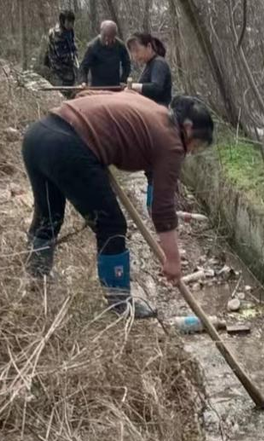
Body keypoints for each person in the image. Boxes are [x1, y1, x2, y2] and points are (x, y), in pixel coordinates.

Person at [21, 94, 214, 318]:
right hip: (68, 147)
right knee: (111, 225)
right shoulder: (171, 141)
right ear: (188, 127)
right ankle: (120, 305)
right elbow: (163, 209)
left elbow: (157, 187)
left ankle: (36, 280)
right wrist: (172, 260)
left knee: (49, 215)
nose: (190, 152)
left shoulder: (155, 111)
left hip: (39, 136)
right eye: (196, 145)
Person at [126, 32, 173, 212]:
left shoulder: (159, 64)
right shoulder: (149, 65)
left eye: (137, 51)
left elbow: (157, 88)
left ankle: (157, 205)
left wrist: (137, 87)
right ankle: (153, 204)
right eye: (132, 52)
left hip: (158, 120)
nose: (135, 56)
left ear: (149, 47)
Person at [78, 20, 130, 88]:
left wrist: (123, 79)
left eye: (110, 37)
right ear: (100, 32)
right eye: (104, 36)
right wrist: (83, 81)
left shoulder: (120, 46)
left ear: (114, 36)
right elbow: (84, 67)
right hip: (97, 86)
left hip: (115, 86)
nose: (106, 39)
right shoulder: (93, 47)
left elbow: (126, 64)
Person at [42, 10, 78, 95]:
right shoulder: (57, 34)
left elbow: (72, 44)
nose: (71, 25)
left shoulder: (70, 31)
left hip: (68, 67)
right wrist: (73, 57)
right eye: (69, 22)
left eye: (72, 22)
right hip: (58, 68)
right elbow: (61, 54)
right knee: (62, 91)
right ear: (63, 21)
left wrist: (75, 52)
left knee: (71, 87)